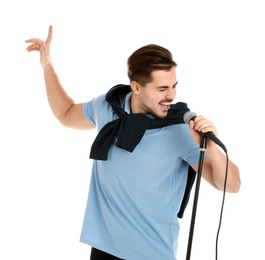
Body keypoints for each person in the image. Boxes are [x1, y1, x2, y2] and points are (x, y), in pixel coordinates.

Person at [25, 25, 241, 260]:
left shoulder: (180, 129)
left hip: (153, 254)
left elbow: (231, 185)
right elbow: (66, 113)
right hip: (104, 249)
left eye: (173, 86)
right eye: (162, 88)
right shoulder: (108, 107)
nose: (171, 95)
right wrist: (47, 68)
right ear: (136, 87)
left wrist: (210, 148)